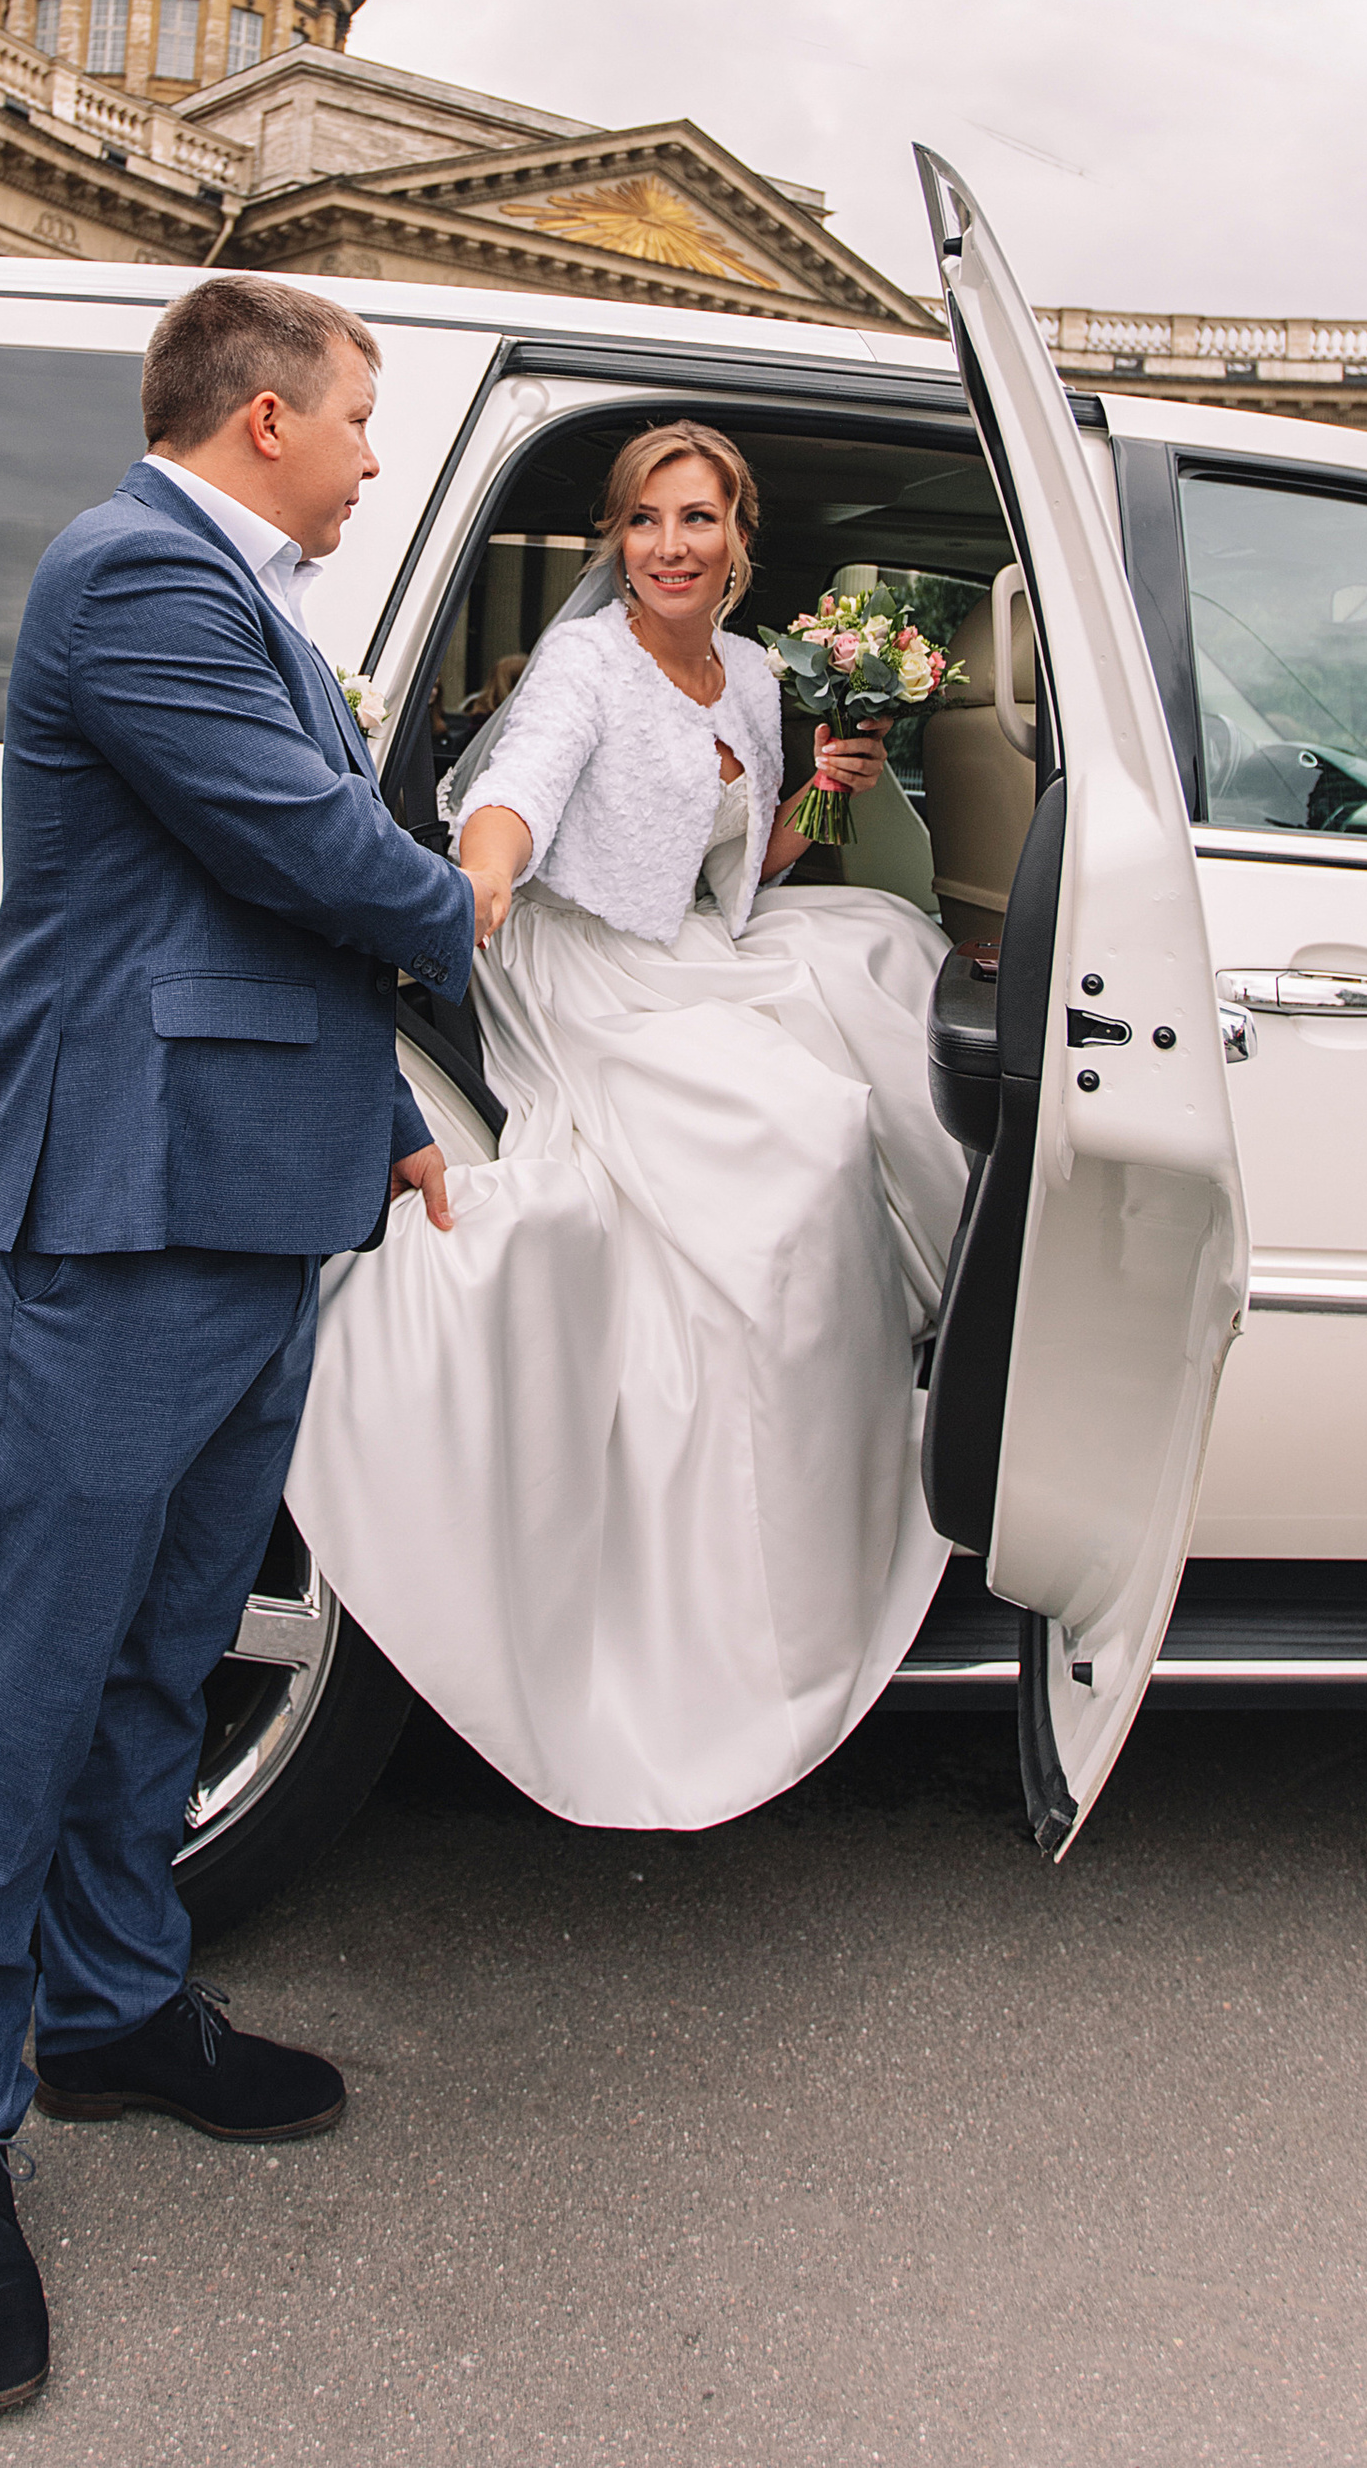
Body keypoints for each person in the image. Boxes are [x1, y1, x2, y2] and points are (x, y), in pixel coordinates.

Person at [0, 276, 479, 2414]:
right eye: (355, 415)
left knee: (164, 1643)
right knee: (30, 1677)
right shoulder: (136, 574)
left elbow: (233, 924)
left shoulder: (233, 592)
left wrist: (381, 1116)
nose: (371, 451)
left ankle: (113, 2010)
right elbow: (305, 855)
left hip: (240, 1194)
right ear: (256, 416)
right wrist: (473, 903)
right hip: (115, 1210)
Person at [288, 418, 971, 1834]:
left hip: (689, 950)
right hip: (577, 962)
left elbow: (745, 855)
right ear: (619, 537)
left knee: (895, 956)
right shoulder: (585, 664)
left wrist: (812, 811)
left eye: (699, 520)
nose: (673, 545)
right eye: (649, 520)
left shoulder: (760, 678)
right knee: (802, 1136)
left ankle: (904, 1395)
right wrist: (470, 890)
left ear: (739, 537)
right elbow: (522, 793)